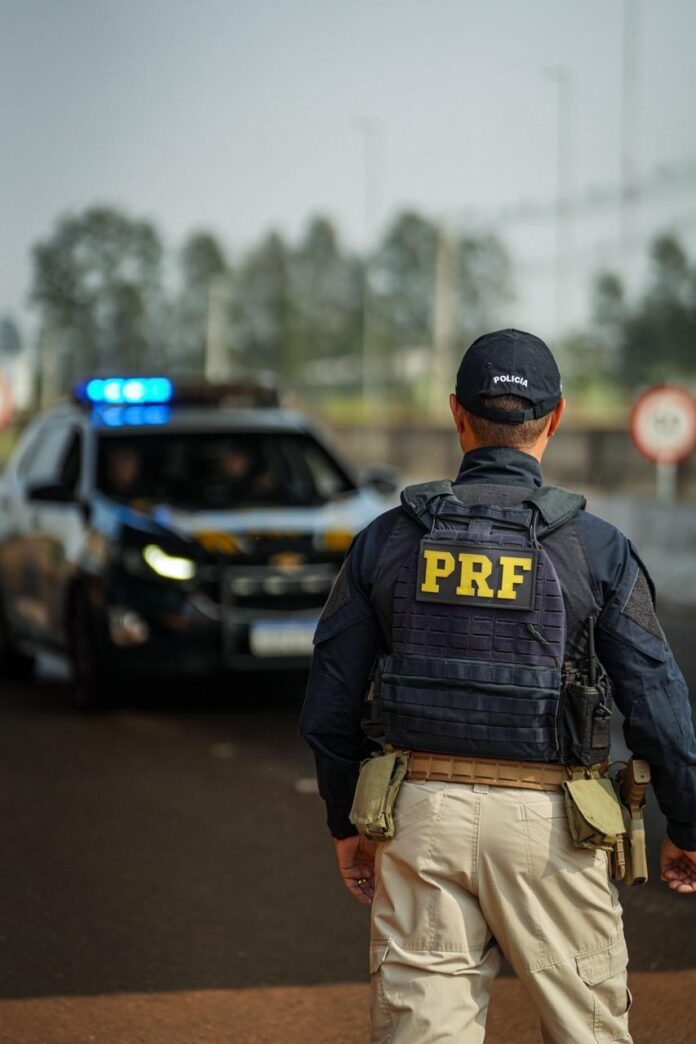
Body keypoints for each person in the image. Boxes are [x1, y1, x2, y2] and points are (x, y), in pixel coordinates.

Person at [300, 329, 696, 1044]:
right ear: (557, 417)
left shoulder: (386, 540)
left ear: (457, 413)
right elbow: (658, 703)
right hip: (555, 827)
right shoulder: (598, 548)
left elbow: (329, 705)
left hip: (418, 818)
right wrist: (689, 825)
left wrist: (345, 823)